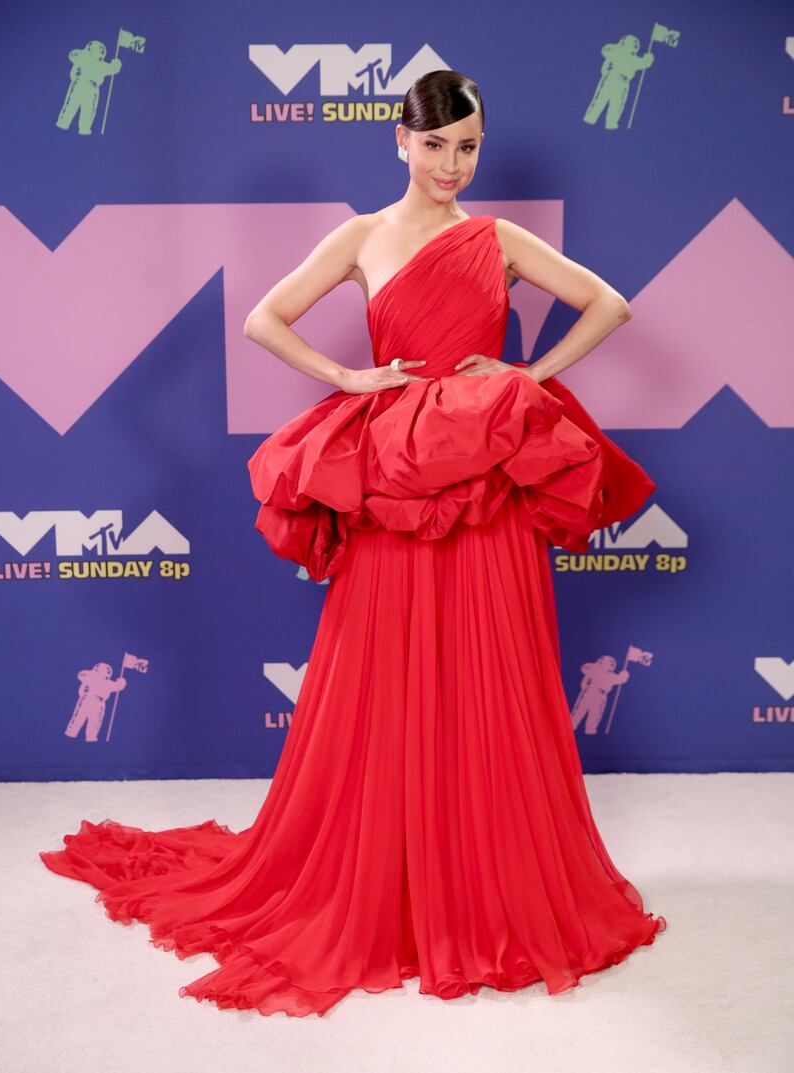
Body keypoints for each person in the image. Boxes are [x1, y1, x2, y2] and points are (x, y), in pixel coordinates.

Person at [39, 69, 666, 1018]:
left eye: (468, 148)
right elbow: (262, 319)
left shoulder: (498, 237)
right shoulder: (362, 236)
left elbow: (609, 304)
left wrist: (525, 376)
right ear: (400, 140)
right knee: (383, 672)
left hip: (485, 479)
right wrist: (348, 376)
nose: (451, 165)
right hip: (394, 476)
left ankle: (481, 884)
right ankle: (388, 883)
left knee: (489, 668)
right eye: (436, 144)